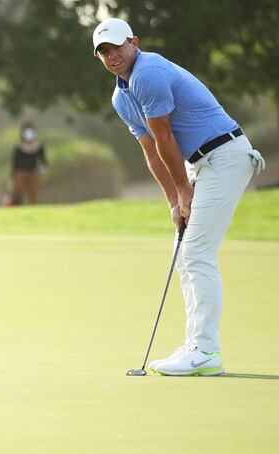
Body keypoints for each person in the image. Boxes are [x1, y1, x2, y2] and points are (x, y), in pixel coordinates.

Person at [93, 18, 264, 376]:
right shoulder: (120, 96)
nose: (112, 56)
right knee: (184, 255)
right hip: (200, 164)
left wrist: (185, 191)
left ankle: (206, 351)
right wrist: (175, 200)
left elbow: (166, 138)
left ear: (134, 43)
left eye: (117, 47)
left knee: (197, 252)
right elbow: (152, 151)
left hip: (225, 156)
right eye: (104, 52)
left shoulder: (148, 73)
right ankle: (195, 345)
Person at [9, 121, 47, 205]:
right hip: (20, 174)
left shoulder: (39, 147)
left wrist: (43, 169)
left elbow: (43, 161)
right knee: (18, 192)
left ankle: (34, 207)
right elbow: (15, 164)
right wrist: (13, 177)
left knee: (34, 192)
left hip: (33, 172)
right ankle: (17, 207)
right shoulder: (18, 148)